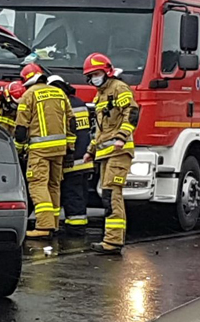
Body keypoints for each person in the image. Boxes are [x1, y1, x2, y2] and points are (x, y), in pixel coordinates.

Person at [84, 52, 139, 254]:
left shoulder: (119, 88)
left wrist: (122, 137)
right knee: (108, 194)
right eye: (91, 75)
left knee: (111, 193)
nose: (94, 78)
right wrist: (91, 150)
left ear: (107, 71)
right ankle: (112, 239)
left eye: (97, 73)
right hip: (106, 152)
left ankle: (113, 241)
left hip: (119, 151)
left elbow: (131, 112)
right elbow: (100, 129)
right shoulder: (100, 95)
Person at [14, 67, 74, 239]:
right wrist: (70, 148)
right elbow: (71, 122)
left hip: (39, 150)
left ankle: (43, 226)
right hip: (60, 149)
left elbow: (21, 129)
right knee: (54, 185)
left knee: (38, 185)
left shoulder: (29, 95)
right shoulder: (59, 93)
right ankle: (53, 223)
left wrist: (19, 150)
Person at [55, 74, 94, 234]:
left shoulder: (63, 105)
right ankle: (79, 222)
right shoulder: (79, 103)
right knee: (81, 193)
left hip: (72, 160)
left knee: (72, 193)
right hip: (84, 158)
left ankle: (76, 227)